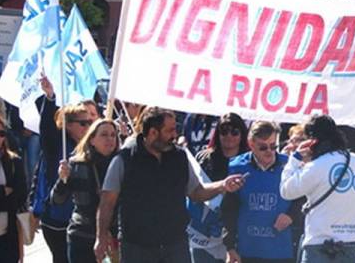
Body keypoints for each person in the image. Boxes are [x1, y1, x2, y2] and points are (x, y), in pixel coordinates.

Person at [95, 107, 244, 263]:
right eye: (170, 130)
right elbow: (107, 202)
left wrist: (222, 185)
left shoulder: (180, 157)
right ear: (153, 132)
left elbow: (197, 192)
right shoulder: (124, 160)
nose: (175, 135)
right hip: (137, 247)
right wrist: (101, 237)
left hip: (175, 246)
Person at [280, 115, 355, 263]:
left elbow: (286, 191)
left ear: (312, 140)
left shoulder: (316, 166)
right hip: (353, 243)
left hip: (320, 246)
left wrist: (294, 159)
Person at [32, 81, 91, 263]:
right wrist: (50, 97)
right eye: (83, 123)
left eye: (90, 122)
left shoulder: (90, 146)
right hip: (57, 218)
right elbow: (46, 128)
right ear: (68, 125)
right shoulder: (56, 143)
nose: (88, 126)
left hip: (82, 219)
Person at [224, 120, 299, 263]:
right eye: (263, 147)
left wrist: (291, 215)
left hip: (282, 250)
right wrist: (229, 246)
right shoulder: (237, 166)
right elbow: (229, 208)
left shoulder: (289, 165)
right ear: (251, 144)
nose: (269, 151)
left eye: (273, 146)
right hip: (247, 250)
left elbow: (304, 199)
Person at [51, 119, 119, 263]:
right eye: (104, 135)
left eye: (113, 135)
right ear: (92, 139)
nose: (110, 139)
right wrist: (62, 179)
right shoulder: (77, 165)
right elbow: (57, 200)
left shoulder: (121, 165)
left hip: (114, 238)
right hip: (83, 236)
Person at [189, 113, 249, 263]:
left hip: (237, 233)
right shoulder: (203, 158)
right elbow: (194, 189)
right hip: (203, 233)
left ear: (242, 135)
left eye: (234, 131)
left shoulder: (248, 161)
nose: (229, 135)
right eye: (224, 131)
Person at [0, 116, 27, 263]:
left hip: (8, 234)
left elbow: (20, 195)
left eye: (1, 133)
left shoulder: (14, 162)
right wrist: (4, 192)